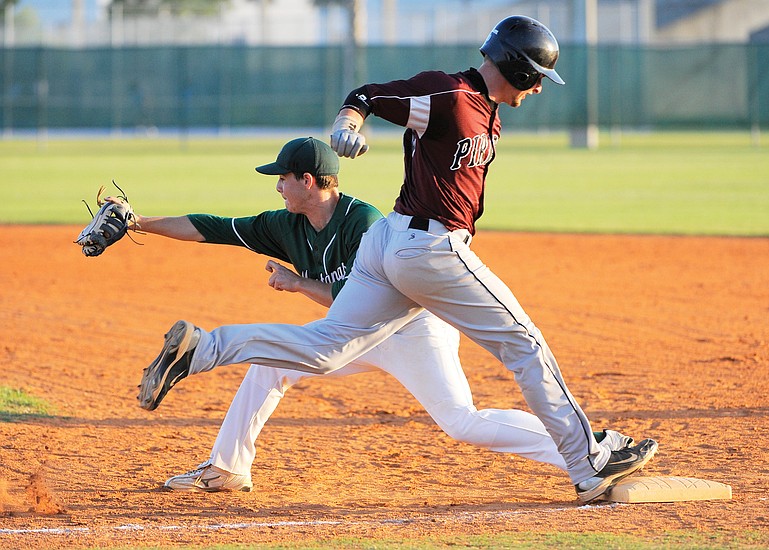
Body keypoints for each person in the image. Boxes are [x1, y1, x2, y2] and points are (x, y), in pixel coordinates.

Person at [138, 16, 658, 502]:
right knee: (524, 345)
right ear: (518, 68)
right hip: (428, 248)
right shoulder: (451, 95)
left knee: (326, 348)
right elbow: (365, 95)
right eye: (537, 76)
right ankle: (589, 462)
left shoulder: (486, 111)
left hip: (390, 243)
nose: (539, 87)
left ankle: (205, 349)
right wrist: (349, 123)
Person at [129, 136, 635, 492]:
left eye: (283, 178)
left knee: (461, 421)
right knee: (272, 365)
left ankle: (586, 450)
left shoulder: (365, 224)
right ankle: (228, 468)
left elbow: (363, 302)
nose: (277, 186)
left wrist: (298, 283)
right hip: (352, 332)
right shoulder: (286, 224)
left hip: (411, 331)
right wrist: (139, 222)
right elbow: (209, 227)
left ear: (310, 180)